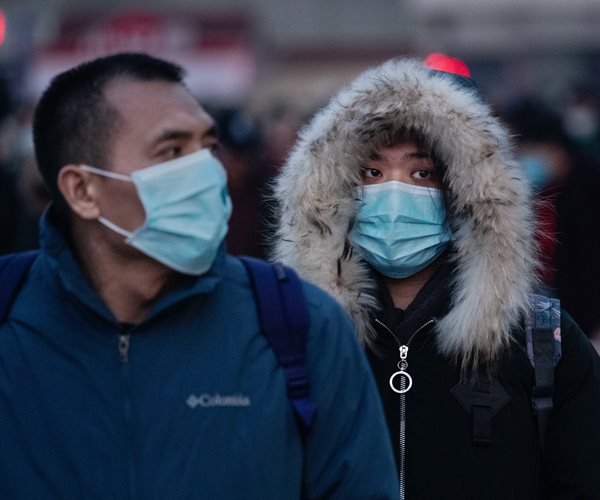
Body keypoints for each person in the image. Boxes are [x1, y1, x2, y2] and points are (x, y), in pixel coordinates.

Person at [0, 52, 399, 499]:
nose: (207, 171)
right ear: (82, 190)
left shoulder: (300, 324)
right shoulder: (12, 319)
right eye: (171, 151)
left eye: (207, 147)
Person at [271, 53, 600, 498]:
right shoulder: (292, 340)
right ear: (336, 186)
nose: (393, 191)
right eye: (372, 171)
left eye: (422, 172)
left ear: (466, 191)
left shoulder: (543, 343)